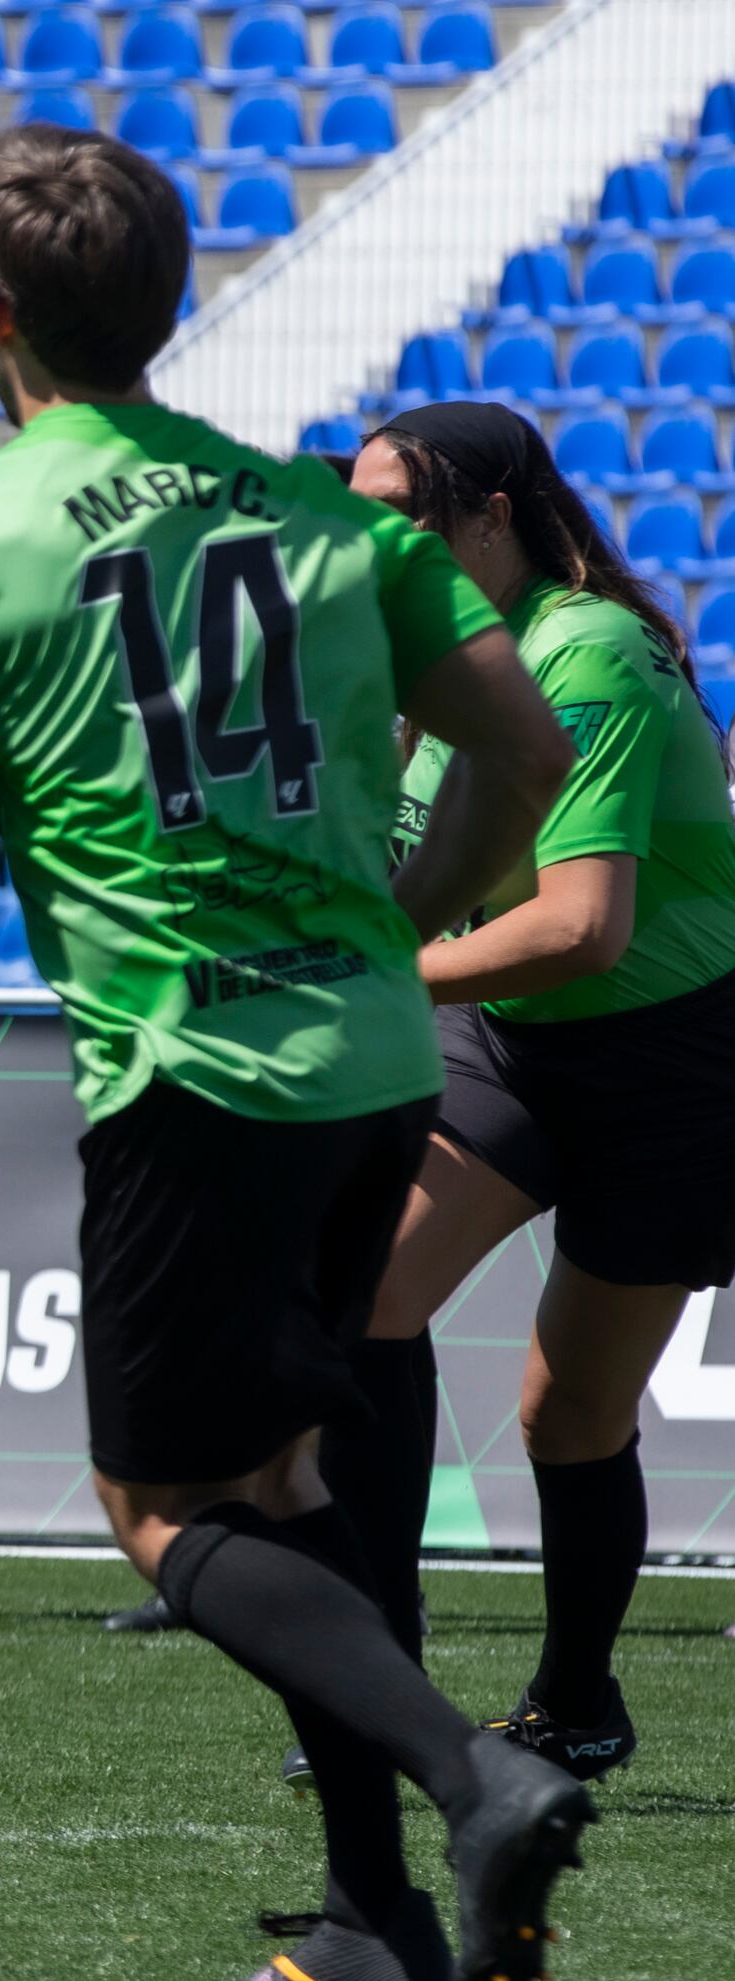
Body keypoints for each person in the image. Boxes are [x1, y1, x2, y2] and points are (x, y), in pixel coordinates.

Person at [0, 125, 590, 1981]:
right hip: (375, 1055)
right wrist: (405, 908)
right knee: (290, 1475)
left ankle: (475, 1774)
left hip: (194, 1067)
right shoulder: (341, 521)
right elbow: (528, 750)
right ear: (170, 305)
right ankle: (369, 1924)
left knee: (162, 1503)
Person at [310, 401, 735, 1782]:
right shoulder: (427, 663)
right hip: (510, 1037)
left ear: (494, 518)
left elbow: (582, 929)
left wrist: (374, 971)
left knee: (567, 1413)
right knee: (364, 1293)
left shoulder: (592, 654)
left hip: (672, 1063)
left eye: (402, 516)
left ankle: (575, 1700)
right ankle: (387, 1688)